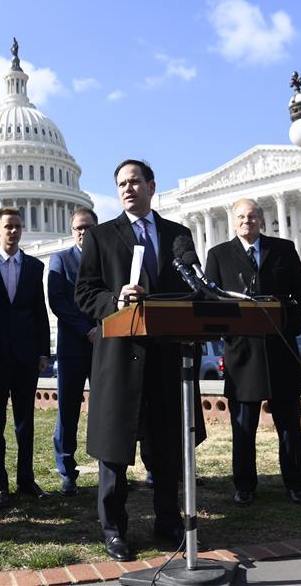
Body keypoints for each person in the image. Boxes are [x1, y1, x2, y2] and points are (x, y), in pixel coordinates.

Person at [76, 159, 205, 562]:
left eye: (134, 182)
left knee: (168, 446)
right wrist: (116, 298)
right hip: (120, 358)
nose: (128, 189)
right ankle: (114, 529)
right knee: (114, 452)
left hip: (168, 358)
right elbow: (85, 294)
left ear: (151, 185)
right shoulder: (99, 237)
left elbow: (192, 283)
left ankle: (167, 520)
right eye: (121, 184)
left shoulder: (177, 235)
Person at [204, 198, 301, 508]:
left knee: (289, 424)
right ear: (233, 221)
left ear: (261, 221)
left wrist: (291, 324)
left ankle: (295, 484)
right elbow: (210, 299)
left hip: (280, 349)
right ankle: (244, 486)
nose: (246, 221)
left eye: (252, 216)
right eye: (240, 216)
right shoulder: (219, 255)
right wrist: (229, 332)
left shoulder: (284, 250)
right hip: (242, 353)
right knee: (243, 425)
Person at [0, 208, 52, 501]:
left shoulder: (35, 267)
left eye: (17, 227)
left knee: (25, 421)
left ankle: (26, 479)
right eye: (8, 226)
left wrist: (43, 351)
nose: (13, 231)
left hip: (26, 353)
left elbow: (40, 310)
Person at [48, 207, 98, 497]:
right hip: (72, 347)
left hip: (104, 343)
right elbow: (58, 301)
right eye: (79, 227)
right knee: (67, 411)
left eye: (89, 227)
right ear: (72, 230)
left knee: (104, 409)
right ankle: (67, 471)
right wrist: (86, 329)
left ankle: (108, 465)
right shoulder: (60, 259)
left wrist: (100, 330)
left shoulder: (105, 261)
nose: (83, 232)